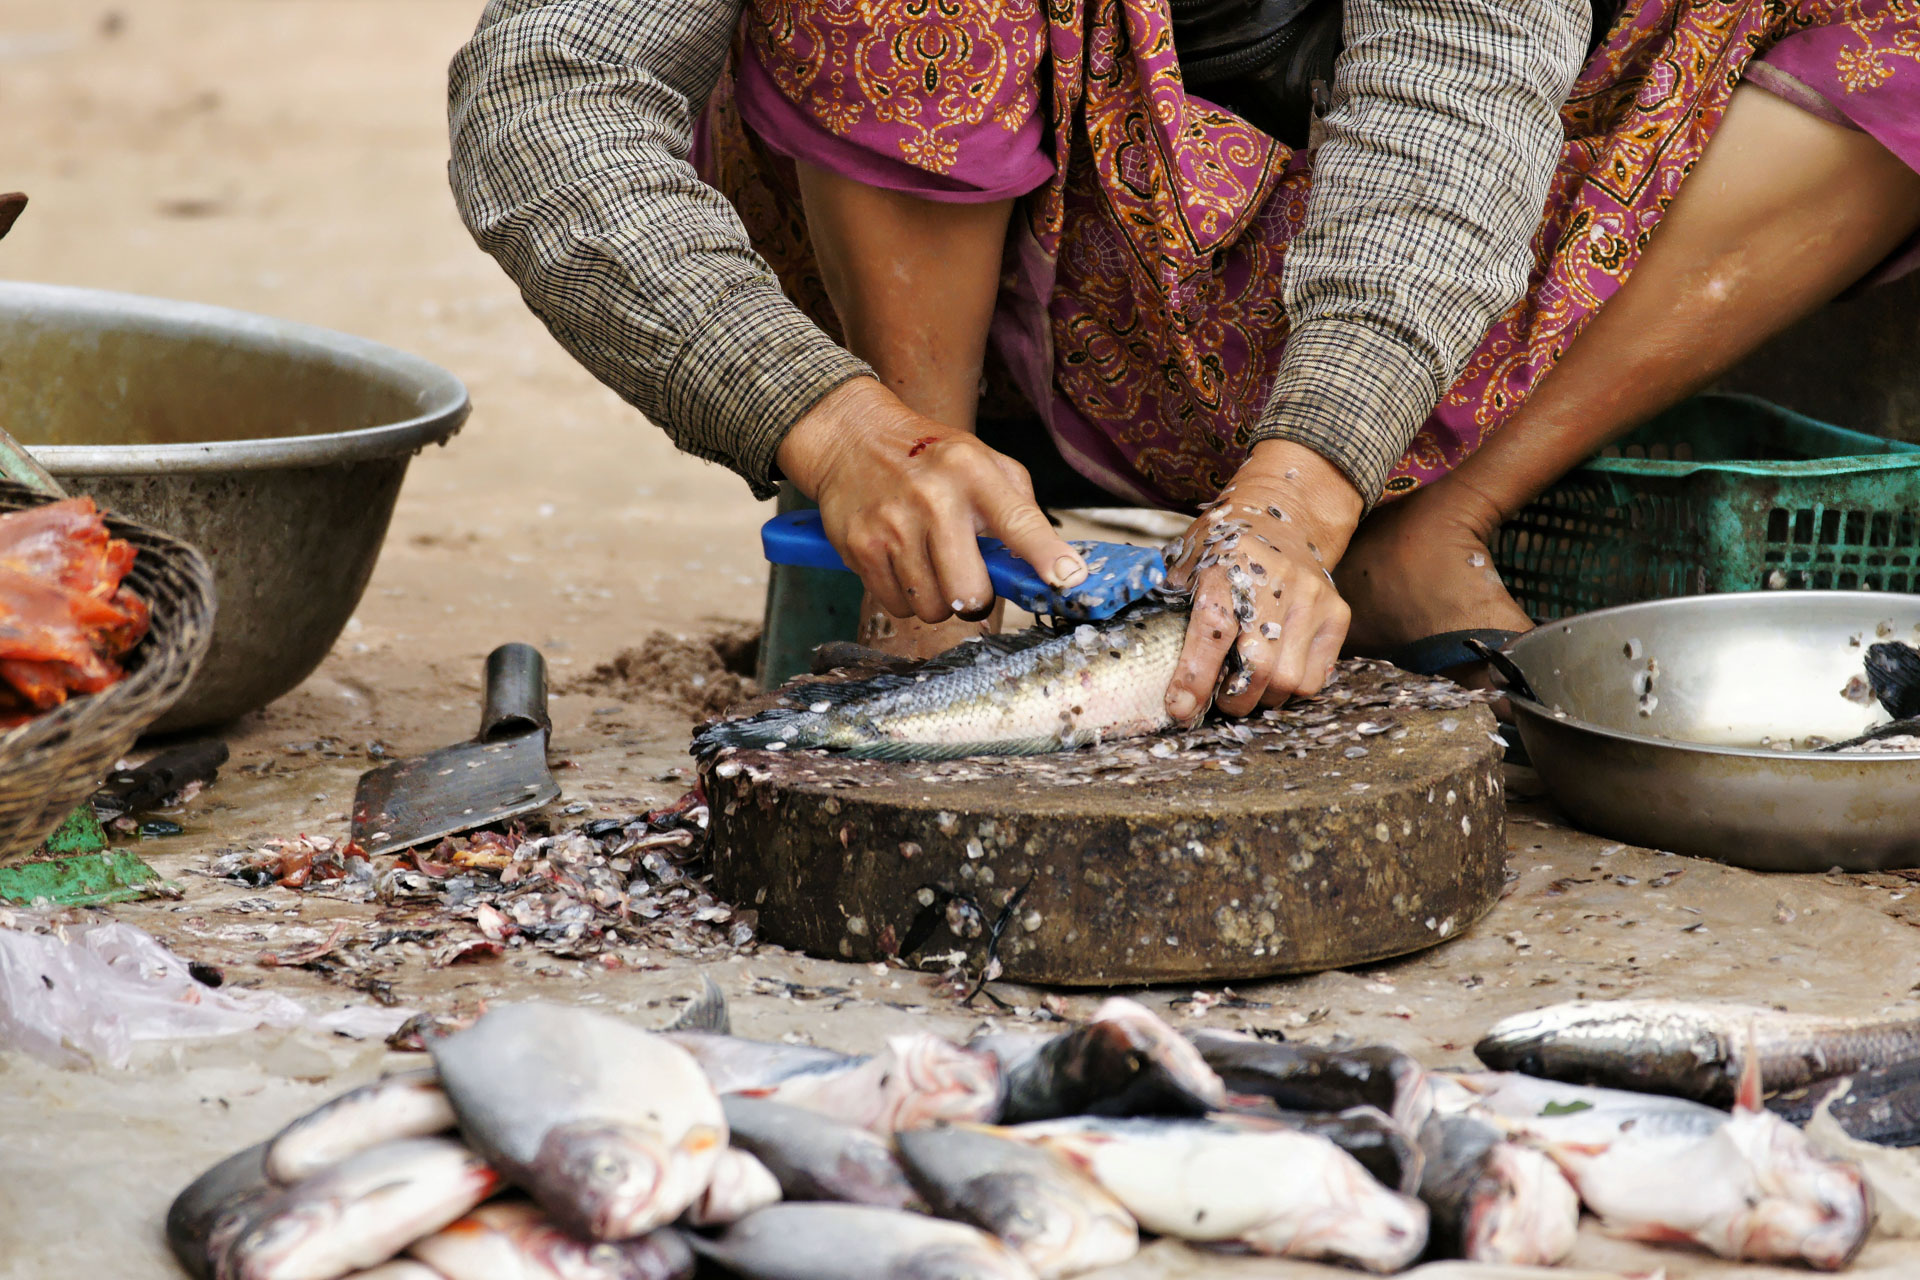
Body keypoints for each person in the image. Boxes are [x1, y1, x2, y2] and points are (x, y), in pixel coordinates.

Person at [448, 0, 1920, 725]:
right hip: (1031, 309)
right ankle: (943, 555)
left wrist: (1307, 486)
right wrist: (835, 430)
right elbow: (542, 87)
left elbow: (1459, 88)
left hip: (1433, 331)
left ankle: (1430, 527)